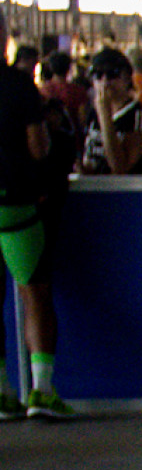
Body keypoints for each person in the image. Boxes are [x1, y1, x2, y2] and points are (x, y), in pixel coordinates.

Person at [1, 34, 73, 419]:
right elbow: (39, 147)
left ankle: (1, 393)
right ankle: (41, 391)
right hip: (16, 207)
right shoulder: (17, 86)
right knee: (35, 296)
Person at [81, 50, 142, 176]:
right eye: (98, 75)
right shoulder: (93, 113)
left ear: (127, 78)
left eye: (113, 74)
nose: (105, 81)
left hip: (125, 191)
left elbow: (119, 167)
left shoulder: (140, 116)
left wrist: (105, 115)